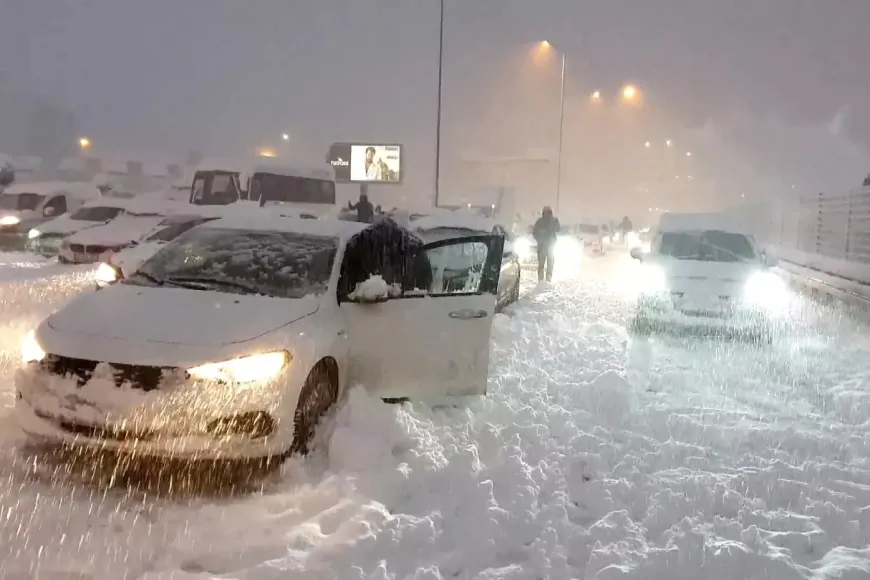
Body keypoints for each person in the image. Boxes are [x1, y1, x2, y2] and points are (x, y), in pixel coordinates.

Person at [532, 206, 560, 282]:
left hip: (550, 246)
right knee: (542, 265)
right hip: (542, 246)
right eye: (546, 212)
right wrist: (539, 239)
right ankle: (541, 280)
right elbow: (534, 232)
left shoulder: (554, 221)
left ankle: (548, 279)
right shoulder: (540, 222)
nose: (547, 214)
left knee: (550, 264)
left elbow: (558, 229)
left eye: (548, 212)